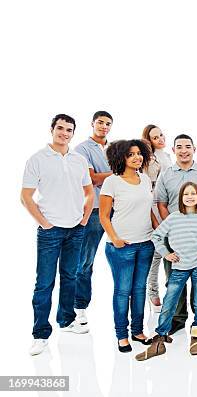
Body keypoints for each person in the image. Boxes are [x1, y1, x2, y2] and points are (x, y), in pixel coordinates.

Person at [22, 114, 95, 356]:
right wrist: (44, 223)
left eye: (69, 130)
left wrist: (84, 219)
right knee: (44, 283)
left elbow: (89, 191)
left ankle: (67, 320)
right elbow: (26, 196)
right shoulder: (37, 159)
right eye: (60, 128)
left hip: (76, 228)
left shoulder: (78, 159)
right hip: (50, 231)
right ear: (52, 129)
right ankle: (40, 334)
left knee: (70, 276)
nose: (64, 133)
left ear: (73, 133)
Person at [136, 182, 197, 360]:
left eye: (193, 193)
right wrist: (166, 253)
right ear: (181, 198)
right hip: (179, 265)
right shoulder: (174, 218)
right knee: (170, 301)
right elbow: (156, 236)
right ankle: (160, 338)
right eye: (186, 194)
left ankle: (196, 336)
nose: (190, 197)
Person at [154, 134, 197, 335]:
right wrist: (170, 228)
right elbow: (161, 203)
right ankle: (178, 318)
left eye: (187, 146)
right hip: (174, 236)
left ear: (194, 149)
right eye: (179, 147)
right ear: (173, 150)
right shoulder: (166, 174)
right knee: (174, 278)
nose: (183, 150)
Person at [100, 139, 158, 352]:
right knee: (123, 291)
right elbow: (104, 216)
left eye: (138, 153)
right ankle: (121, 335)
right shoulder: (112, 182)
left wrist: (158, 231)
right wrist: (115, 238)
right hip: (122, 246)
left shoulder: (144, 179)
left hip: (146, 244)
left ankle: (138, 331)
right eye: (131, 154)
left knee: (139, 289)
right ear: (121, 158)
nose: (137, 157)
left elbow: (148, 210)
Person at [73, 111, 114, 325]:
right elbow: (93, 179)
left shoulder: (114, 147)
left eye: (108, 123)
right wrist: (118, 172)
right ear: (92, 124)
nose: (104, 126)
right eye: (100, 122)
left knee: (130, 253)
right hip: (96, 210)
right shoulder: (82, 149)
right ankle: (79, 306)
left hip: (119, 209)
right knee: (85, 260)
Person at [141, 124, 172, 312]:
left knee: (167, 250)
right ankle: (152, 292)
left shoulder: (166, 155)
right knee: (156, 253)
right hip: (154, 204)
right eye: (155, 137)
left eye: (161, 135)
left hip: (168, 204)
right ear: (149, 141)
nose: (160, 139)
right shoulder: (148, 159)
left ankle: (171, 292)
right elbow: (148, 186)